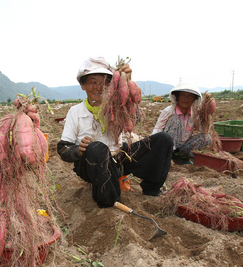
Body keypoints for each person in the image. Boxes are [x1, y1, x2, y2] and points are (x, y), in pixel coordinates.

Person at [57, 57, 173, 208]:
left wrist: (128, 85)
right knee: (97, 147)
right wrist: (78, 150)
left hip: (118, 158)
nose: (99, 87)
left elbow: (135, 119)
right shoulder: (76, 112)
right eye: (93, 82)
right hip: (91, 164)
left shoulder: (118, 107)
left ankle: (152, 187)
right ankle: (108, 200)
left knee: (163, 140)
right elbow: (62, 147)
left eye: (105, 82)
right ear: (82, 85)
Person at [152, 82, 212, 164]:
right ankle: (167, 156)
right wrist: (155, 150)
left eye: (190, 96)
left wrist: (205, 116)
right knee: (175, 121)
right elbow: (157, 130)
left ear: (194, 99)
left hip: (184, 147)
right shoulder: (169, 111)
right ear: (177, 96)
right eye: (183, 95)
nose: (186, 98)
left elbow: (203, 130)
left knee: (207, 138)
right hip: (166, 147)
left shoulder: (195, 113)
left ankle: (182, 157)